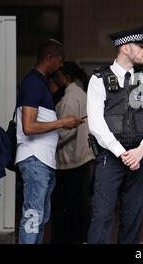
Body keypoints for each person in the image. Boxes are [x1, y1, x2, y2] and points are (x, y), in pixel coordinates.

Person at [86, 26, 143, 244]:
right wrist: (123, 153)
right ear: (124, 48)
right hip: (110, 157)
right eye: (140, 46)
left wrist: (141, 150)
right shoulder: (99, 79)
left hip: (140, 157)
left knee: (133, 218)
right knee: (102, 216)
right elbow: (96, 124)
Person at [15, 39, 83, 244]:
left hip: (43, 162)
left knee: (40, 218)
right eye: (60, 61)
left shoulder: (40, 82)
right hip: (35, 160)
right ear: (49, 58)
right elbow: (28, 126)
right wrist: (63, 122)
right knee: (33, 217)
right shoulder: (33, 82)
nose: (61, 66)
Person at [51, 62, 94, 244]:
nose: (55, 78)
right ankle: (82, 239)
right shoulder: (82, 95)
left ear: (65, 76)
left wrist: (48, 139)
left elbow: (66, 131)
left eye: (57, 75)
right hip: (82, 159)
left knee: (71, 208)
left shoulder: (70, 98)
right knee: (81, 206)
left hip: (71, 161)